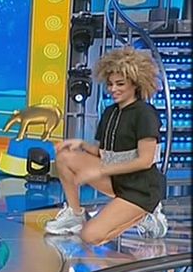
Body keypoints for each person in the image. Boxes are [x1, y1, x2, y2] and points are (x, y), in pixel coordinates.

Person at [45, 47, 168, 243]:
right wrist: (81, 144)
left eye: (120, 84)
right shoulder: (110, 112)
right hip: (116, 180)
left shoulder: (145, 113)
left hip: (140, 189)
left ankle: (146, 214)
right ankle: (75, 215)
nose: (113, 89)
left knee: (90, 236)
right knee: (65, 157)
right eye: (110, 84)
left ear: (135, 84)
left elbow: (145, 161)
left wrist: (99, 171)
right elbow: (105, 153)